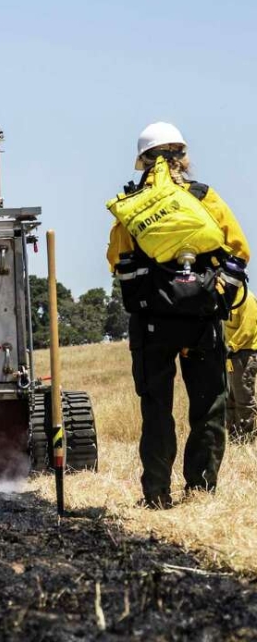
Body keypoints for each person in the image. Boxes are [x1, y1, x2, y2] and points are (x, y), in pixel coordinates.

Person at [106, 121, 250, 509]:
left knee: (157, 410)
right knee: (208, 407)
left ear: (143, 162)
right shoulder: (203, 197)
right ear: (183, 159)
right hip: (202, 320)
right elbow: (238, 249)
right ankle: (201, 492)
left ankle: (156, 494)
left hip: (152, 324)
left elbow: (116, 260)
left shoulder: (132, 206)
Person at [225, 289, 257, 438]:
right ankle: (234, 436)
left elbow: (247, 331)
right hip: (231, 354)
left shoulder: (247, 299)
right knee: (231, 398)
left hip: (244, 354)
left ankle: (248, 438)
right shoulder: (228, 298)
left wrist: (230, 346)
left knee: (244, 399)